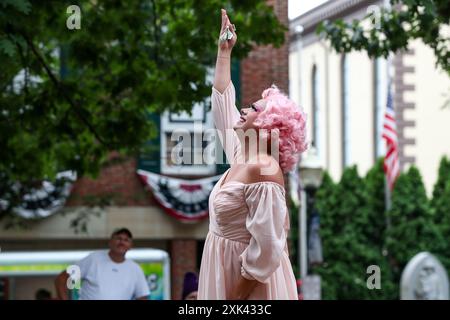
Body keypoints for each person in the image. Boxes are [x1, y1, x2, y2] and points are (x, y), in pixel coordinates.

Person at [197, 9, 307, 300]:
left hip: (248, 289)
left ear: (268, 125)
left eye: (255, 109)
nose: (245, 109)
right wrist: (224, 52)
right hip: (225, 272)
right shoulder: (241, 156)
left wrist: (232, 299)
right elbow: (222, 101)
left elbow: (267, 252)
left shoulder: (264, 170)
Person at [54, 228, 150, 300]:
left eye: (126, 240)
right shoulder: (93, 259)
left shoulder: (135, 269)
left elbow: (142, 296)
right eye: (118, 238)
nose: (122, 242)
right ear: (110, 242)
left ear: (130, 246)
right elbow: (62, 278)